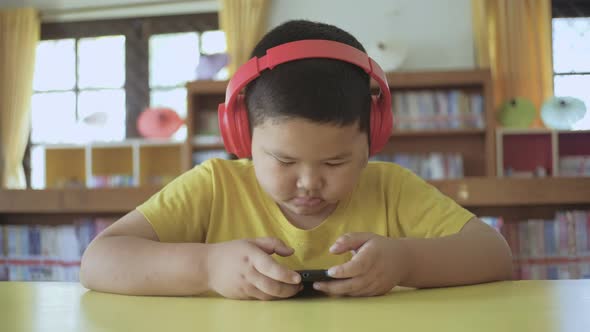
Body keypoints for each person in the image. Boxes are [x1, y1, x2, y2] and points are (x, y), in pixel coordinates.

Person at [80, 20, 512, 300]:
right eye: (284, 161)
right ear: (243, 137)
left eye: (336, 162)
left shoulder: (390, 189)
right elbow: (99, 261)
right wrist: (207, 266)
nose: (308, 183)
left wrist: (406, 261)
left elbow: (494, 254)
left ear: (373, 139)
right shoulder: (214, 186)